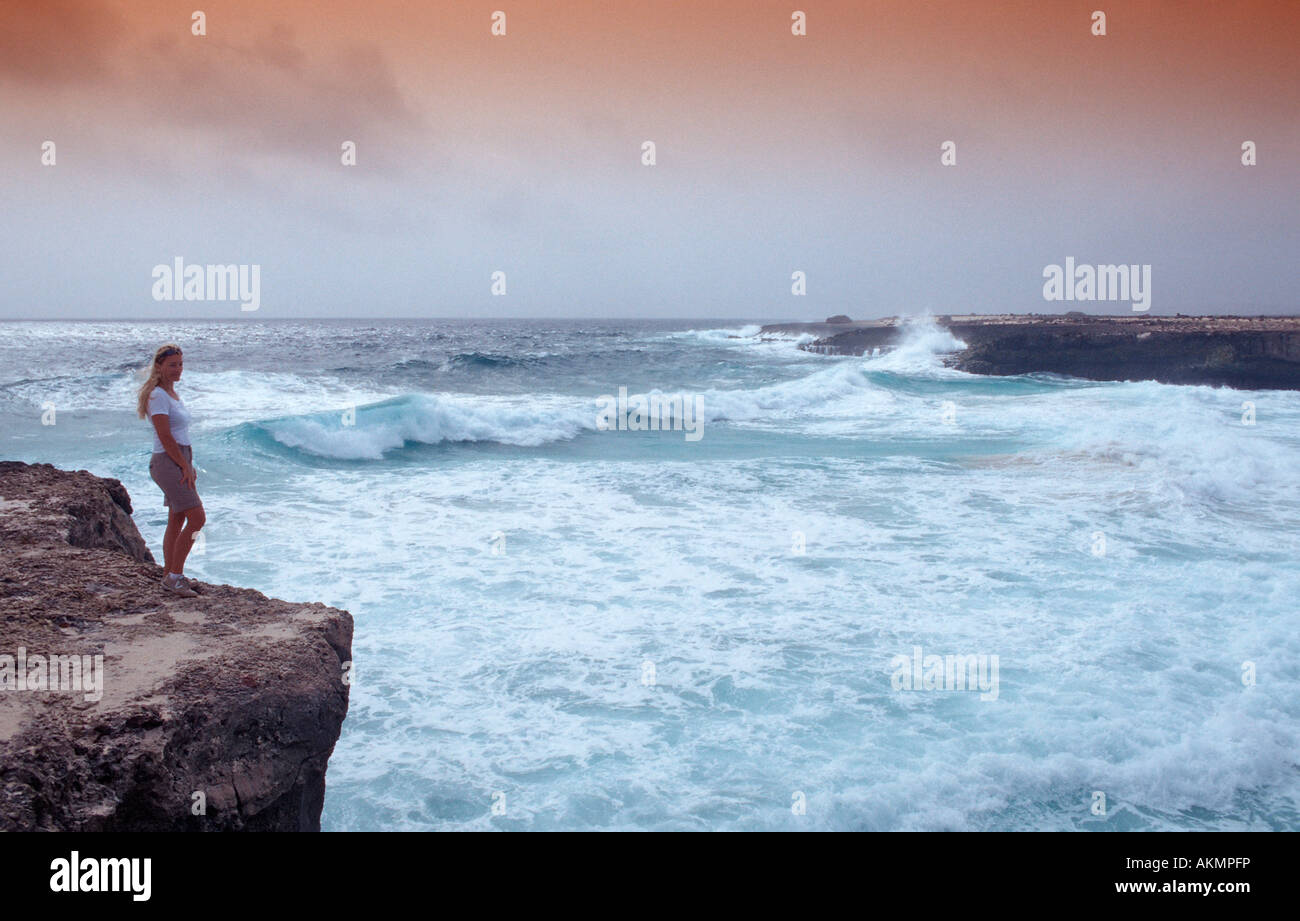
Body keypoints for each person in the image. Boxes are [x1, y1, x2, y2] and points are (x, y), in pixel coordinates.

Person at [136, 343, 205, 597]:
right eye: (172, 365)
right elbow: (165, 436)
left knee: (177, 518)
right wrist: (184, 464)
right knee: (197, 518)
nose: (178, 369)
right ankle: (174, 578)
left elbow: (181, 434)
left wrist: (189, 462)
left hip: (178, 458)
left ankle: (170, 574)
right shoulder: (157, 396)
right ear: (159, 367)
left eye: (180, 364)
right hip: (167, 460)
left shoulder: (172, 394)